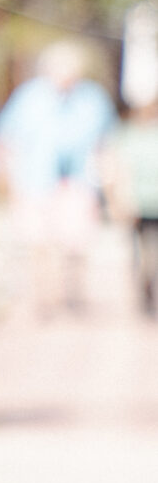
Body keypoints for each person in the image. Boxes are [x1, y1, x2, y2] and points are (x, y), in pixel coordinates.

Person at [0, 39, 114, 316]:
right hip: (35, 183)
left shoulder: (92, 98)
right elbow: (6, 140)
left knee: (76, 243)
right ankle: (44, 300)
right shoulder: (28, 97)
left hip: (78, 183)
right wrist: (4, 182)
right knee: (39, 244)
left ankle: (73, 298)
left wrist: (110, 184)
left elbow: (106, 143)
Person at [101, 95, 158, 317]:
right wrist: (116, 200)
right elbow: (114, 168)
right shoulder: (126, 135)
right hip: (138, 205)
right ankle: (145, 295)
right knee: (142, 254)